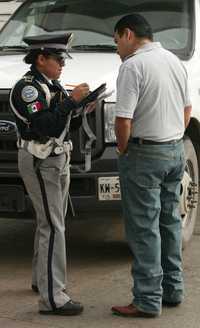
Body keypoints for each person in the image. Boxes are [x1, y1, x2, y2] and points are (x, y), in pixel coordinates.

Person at [111, 14, 192, 318]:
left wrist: (122, 150)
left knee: (143, 227)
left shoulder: (132, 66)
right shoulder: (173, 60)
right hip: (174, 150)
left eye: (117, 40)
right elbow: (187, 108)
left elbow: (123, 120)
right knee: (169, 221)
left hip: (145, 154)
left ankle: (146, 299)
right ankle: (172, 289)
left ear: (128, 34)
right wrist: (173, 137)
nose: (117, 47)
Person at [9, 33, 90, 315]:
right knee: (53, 226)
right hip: (40, 158)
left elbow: (67, 125)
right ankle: (53, 298)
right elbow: (46, 125)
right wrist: (72, 102)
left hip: (55, 157)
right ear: (40, 59)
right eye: (57, 59)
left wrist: (81, 106)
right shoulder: (27, 88)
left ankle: (40, 281)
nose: (62, 65)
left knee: (49, 222)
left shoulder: (51, 84)